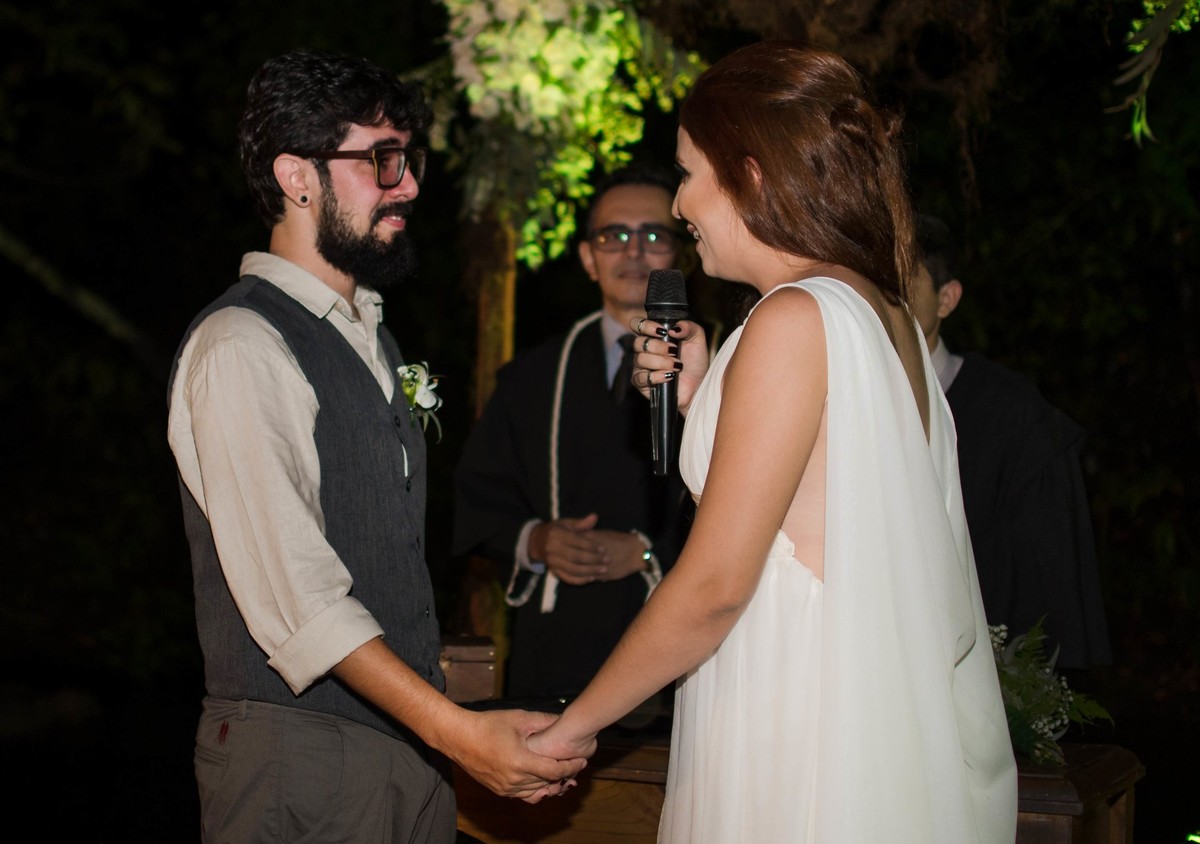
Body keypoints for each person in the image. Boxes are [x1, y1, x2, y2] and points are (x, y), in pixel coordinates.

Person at [528, 42, 1017, 842]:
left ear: (751, 174)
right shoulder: (882, 310)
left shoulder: (793, 321)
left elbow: (719, 583)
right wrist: (695, 403)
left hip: (796, 725)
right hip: (858, 707)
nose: (681, 207)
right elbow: (817, 521)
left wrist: (571, 728)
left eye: (689, 173)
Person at [166, 48, 582, 843]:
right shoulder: (241, 344)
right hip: (299, 756)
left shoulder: (376, 340)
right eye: (382, 160)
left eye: (410, 158)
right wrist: (460, 734)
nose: (410, 185)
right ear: (296, 178)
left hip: (405, 750)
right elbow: (300, 599)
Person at [452, 164, 692, 705]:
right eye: (613, 236)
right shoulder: (533, 377)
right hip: (557, 651)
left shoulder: (727, 366)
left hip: (678, 659)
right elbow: (477, 502)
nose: (633, 253)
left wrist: (651, 555)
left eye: (654, 235)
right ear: (588, 258)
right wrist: (537, 541)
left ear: (681, 254)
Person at [912, 213, 1111, 669]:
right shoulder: (839, 397)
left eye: (903, 276)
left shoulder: (1012, 413)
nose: (887, 297)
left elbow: (1048, 581)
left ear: (947, 299)